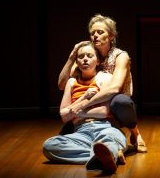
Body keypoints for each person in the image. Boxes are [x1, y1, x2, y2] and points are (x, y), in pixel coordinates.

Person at [58, 14, 147, 152]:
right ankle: (99, 151)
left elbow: (115, 88)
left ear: (111, 36)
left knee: (121, 101)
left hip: (113, 102)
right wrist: (72, 57)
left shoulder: (120, 56)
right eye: (92, 33)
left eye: (100, 32)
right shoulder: (89, 56)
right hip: (92, 107)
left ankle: (135, 133)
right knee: (58, 142)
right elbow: (62, 85)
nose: (95, 36)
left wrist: (83, 104)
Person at [43, 43, 127, 173]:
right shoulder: (71, 82)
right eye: (81, 57)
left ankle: (107, 153)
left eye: (89, 56)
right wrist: (83, 98)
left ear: (98, 60)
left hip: (105, 127)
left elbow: (103, 112)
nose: (85, 59)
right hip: (81, 131)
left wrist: (76, 111)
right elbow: (64, 116)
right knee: (49, 146)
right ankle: (108, 156)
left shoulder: (105, 78)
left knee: (109, 140)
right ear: (77, 61)